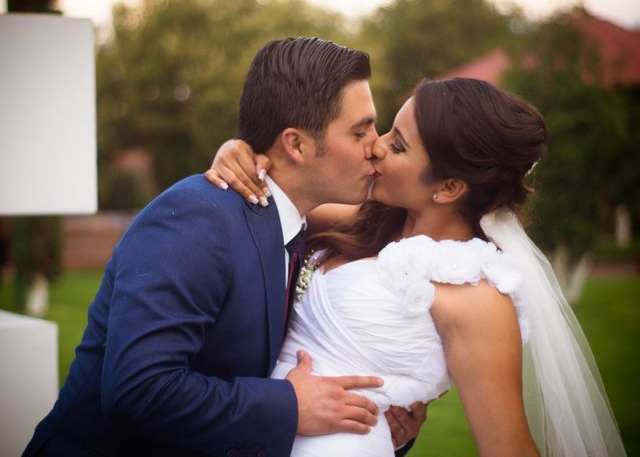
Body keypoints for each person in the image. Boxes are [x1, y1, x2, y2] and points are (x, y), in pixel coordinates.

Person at [23, 37, 405, 457]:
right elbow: (138, 391)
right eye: (360, 130)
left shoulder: (291, 226)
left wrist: (376, 426)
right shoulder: (196, 217)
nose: (378, 145)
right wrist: (290, 406)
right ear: (295, 145)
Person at [207, 77, 627, 456]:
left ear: (448, 188)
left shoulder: (477, 298)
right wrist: (238, 152)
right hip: (256, 434)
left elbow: (510, 447)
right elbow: (271, 201)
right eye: (389, 130)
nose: (376, 145)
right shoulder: (365, 222)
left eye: (399, 145)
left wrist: (402, 432)